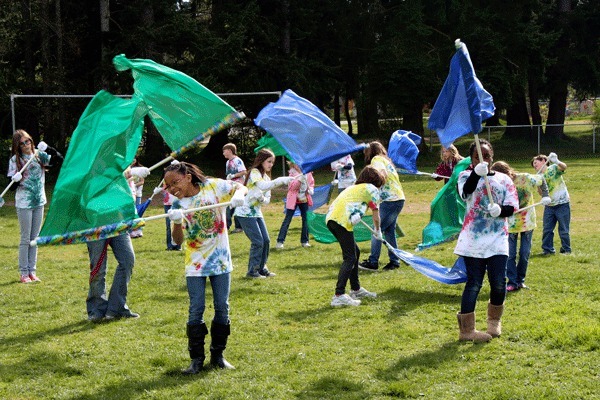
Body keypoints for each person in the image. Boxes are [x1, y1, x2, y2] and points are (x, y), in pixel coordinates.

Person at [164, 161, 247, 373]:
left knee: (222, 306)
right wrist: (175, 221)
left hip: (220, 260)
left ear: (188, 177)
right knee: (196, 309)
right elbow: (177, 241)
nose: (173, 189)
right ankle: (196, 360)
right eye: (168, 186)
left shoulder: (213, 187)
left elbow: (240, 186)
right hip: (195, 263)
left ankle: (218, 355)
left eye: (176, 183)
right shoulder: (177, 205)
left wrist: (239, 195)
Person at [454, 139, 519, 342]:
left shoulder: (504, 179)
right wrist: (476, 173)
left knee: (499, 282)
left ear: (492, 156)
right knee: (474, 283)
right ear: (472, 159)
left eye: (487, 156)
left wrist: (501, 211)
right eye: (477, 156)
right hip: (473, 239)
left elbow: (512, 205)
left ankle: (493, 322)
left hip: (498, 238)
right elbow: (465, 193)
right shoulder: (465, 175)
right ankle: (466, 331)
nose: (484, 159)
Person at [86, 164, 149, 322]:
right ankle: (96, 309)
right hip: (96, 221)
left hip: (118, 221)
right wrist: (126, 174)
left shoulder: (122, 162)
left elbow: (127, 194)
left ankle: (116, 308)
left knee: (127, 260)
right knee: (98, 267)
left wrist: (130, 176)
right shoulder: (95, 160)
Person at [7, 130, 62, 283]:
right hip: (24, 203)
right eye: (22, 143)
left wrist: (49, 149)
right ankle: (24, 273)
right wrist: (16, 179)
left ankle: (32, 271)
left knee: (35, 238)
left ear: (32, 141)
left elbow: (59, 160)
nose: (26, 145)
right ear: (17, 146)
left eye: (28, 141)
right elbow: (11, 186)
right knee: (26, 238)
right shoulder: (15, 160)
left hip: (39, 201)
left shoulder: (39, 155)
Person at [326, 166, 385, 307]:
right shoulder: (371, 189)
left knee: (355, 252)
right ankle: (338, 295)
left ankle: (356, 289)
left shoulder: (355, 188)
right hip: (341, 220)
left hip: (332, 219)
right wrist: (378, 231)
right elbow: (376, 215)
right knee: (350, 257)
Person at [491, 161, 550, 292]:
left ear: (507, 172)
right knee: (510, 254)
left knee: (524, 253)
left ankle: (520, 280)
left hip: (527, 221)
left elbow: (541, 180)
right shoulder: (499, 184)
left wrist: (546, 196)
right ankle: (512, 281)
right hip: (510, 222)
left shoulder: (525, 178)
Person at [233, 149, 292, 278]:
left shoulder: (266, 177)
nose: (271, 164)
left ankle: (262, 268)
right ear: (262, 161)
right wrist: (281, 180)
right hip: (244, 212)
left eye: (272, 162)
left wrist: (261, 199)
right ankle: (252, 272)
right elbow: (263, 186)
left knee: (266, 240)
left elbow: (267, 200)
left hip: (256, 212)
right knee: (258, 242)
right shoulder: (254, 173)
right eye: (269, 161)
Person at [359, 141, 405, 271]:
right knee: (389, 231)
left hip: (389, 200)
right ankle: (394, 261)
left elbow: (381, 172)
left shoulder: (376, 159)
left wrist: (374, 184)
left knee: (377, 230)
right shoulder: (387, 160)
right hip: (398, 198)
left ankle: (373, 262)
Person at [532, 153, 571, 255]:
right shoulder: (539, 176)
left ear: (544, 161)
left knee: (564, 229)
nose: (534, 165)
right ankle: (548, 250)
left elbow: (564, 167)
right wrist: (538, 185)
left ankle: (566, 249)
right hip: (549, 207)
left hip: (562, 204)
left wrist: (557, 161)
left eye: (536, 163)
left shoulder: (553, 168)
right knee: (547, 229)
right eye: (533, 165)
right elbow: (541, 194)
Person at [275, 161, 315, 249]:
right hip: (293, 200)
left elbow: (311, 183)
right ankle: (280, 241)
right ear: (293, 164)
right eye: (296, 164)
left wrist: (311, 189)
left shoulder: (308, 172)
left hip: (304, 199)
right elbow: (291, 187)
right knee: (287, 220)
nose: (298, 166)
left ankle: (305, 241)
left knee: (306, 220)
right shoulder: (292, 174)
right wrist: (300, 179)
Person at [223, 143, 246, 234]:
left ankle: (239, 227)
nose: (223, 153)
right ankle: (226, 226)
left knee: (237, 207)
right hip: (230, 187)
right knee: (228, 206)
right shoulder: (227, 162)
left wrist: (233, 175)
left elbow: (244, 171)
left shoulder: (237, 160)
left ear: (229, 150)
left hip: (238, 187)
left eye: (224, 151)